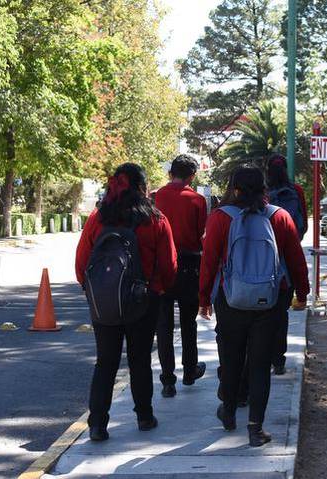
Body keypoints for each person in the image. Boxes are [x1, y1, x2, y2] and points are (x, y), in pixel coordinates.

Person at [199, 166, 309, 447]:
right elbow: (296, 260)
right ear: (264, 189)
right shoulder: (279, 217)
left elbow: (209, 262)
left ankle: (228, 412)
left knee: (231, 359)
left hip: (230, 299)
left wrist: (204, 300)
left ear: (234, 189)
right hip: (269, 300)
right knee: (260, 365)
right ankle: (255, 429)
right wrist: (302, 293)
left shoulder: (220, 218)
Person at [75, 163, 177, 441]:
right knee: (140, 360)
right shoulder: (155, 220)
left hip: (104, 302)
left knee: (105, 362)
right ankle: (144, 416)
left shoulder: (98, 218)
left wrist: (94, 290)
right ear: (142, 188)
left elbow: (81, 262)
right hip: (143, 300)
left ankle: (97, 424)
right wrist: (158, 289)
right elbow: (169, 266)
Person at [154, 155, 207, 398]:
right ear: (192, 176)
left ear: (170, 173)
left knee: (164, 324)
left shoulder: (158, 197)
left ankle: (167, 380)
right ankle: (189, 370)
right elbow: (200, 235)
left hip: (163, 265)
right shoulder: (197, 200)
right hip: (189, 264)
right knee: (188, 321)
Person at [266, 154, 308, 375]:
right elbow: (303, 225)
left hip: (264, 259)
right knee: (281, 313)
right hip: (287, 261)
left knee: (263, 314)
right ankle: (279, 359)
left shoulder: (261, 193)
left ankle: (263, 356)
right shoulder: (296, 190)